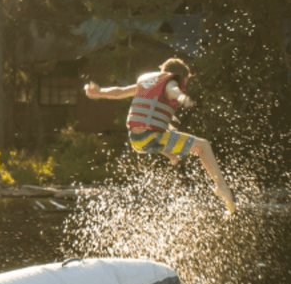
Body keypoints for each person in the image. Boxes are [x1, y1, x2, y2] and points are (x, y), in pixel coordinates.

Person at [84, 58, 235, 215]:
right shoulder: (171, 81)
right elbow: (172, 90)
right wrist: (181, 97)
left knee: (167, 129)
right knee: (203, 146)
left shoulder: (146, 82)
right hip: (151, 136)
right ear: (180, 76)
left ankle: (170, 154)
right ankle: (222, 186)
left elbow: (119, 92)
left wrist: (98, 93)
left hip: (137, 141)